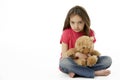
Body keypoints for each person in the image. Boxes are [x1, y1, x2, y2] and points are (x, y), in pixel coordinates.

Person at [59, 5, 112, 78]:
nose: (76, 26)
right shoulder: (66, 33)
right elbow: (64, 55)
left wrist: (89, 57)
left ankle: (77, 72)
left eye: (80, 22)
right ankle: (94, 73)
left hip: (85, 62)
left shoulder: (90, 33)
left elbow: (91, 51)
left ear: (85, 21)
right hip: (72, 62)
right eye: (73, 22)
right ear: (69, 21)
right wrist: (76, 55)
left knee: (107, 60)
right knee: (63, 63)